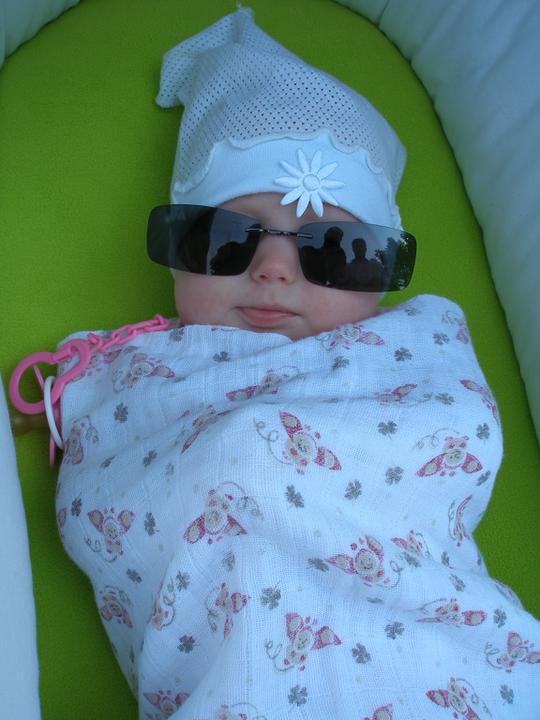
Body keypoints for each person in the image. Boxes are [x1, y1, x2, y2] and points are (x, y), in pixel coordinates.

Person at [10, 7, 540, 720]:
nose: (272, 271)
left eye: (334, 250)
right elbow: (115, 480)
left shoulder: (414, 355)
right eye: (227, 239)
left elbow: (459, 432)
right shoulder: (148, 372)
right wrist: (80, 399)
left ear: (381, 276)